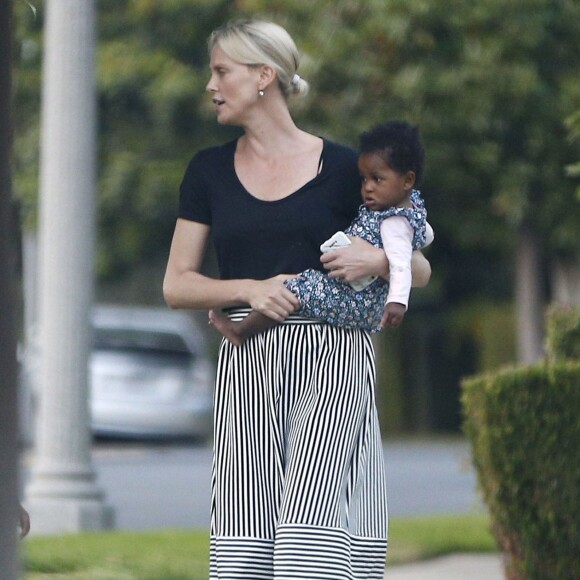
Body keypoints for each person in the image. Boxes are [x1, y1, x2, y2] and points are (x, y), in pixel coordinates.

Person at [163, 19, 431, 579]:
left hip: (334, 368)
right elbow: (178, 284)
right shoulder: (207, 170)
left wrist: (378, 259)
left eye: (221, 72)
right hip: (247, 369)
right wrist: (248, 288)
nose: (211, 85)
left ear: (265, 76)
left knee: (309, 545)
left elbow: (420, 266)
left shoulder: (343, 170)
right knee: (245, 537)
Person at [209, 120, 434, 346]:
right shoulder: (405, 210)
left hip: (357, 302)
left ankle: (241, 331)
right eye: (364, 178)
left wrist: (397, 302)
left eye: (377, 179)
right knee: (299, 286)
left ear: (407, 180)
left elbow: (402, 264)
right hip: (358, 297)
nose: (367, 187)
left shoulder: (393, 222)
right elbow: (425, 235)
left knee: (297, 288)